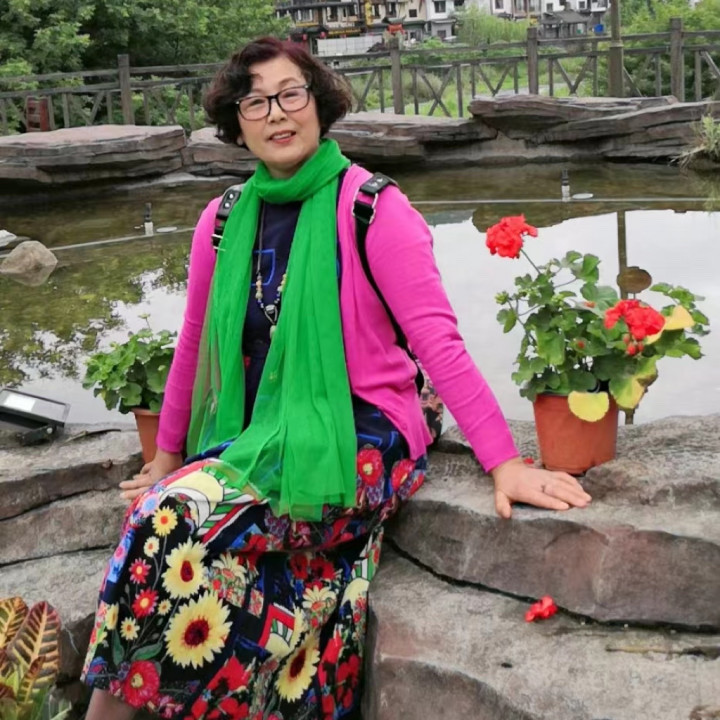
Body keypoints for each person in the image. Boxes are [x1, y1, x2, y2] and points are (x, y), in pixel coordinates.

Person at [81, 37, 591, 720]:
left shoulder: (373, 208)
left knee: (168, 516)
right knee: (168, 514)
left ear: (319, 103)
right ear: (237, 125)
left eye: (290, 93)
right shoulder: (224, 218)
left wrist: (505, 463)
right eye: (255, 102)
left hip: (365, 430)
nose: (276, 112)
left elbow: (437, 342)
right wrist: (167, 454)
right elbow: (196, 342)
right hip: (266, 430)